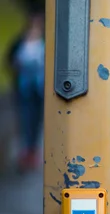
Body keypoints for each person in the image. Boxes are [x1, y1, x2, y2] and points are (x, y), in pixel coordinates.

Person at [7, 11, 45, 171]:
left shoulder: (45, 43)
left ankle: (32, 152)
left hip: (39, 90)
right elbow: (10, 61)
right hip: (23, 90)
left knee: (36, 122)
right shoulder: (20, 43)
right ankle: (25, 152)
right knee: (24, 121)